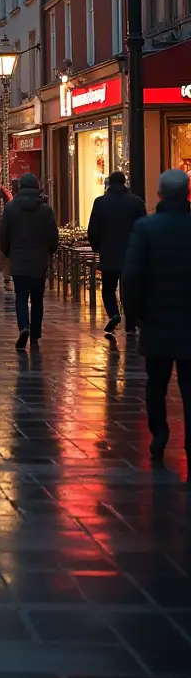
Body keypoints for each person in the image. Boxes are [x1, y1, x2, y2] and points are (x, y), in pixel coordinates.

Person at [122, 169, 191, 462]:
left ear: (160, 195)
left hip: (157, 321)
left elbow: (132, 276)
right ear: (187, 193)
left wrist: (136, 315)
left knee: (156, 383)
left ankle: (159, 433)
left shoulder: (146, 229)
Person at [0, 172, 59, 351]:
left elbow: (5, 234)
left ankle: (24, 326)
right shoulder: (45, 209)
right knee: (38, 298)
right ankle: (35, 333)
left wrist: (8, 252)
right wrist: (50, 251)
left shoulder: (11, 208)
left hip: (18, 258)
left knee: (21, 296)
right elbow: (52, 236)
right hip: (39, 259)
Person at [87, 171, 146, 335]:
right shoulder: (136, 202)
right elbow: (143, 227)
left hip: (109, 253)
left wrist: (97, 247)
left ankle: (114, 313)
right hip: (131, 254)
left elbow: (93, 229)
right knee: (130, 289)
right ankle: (131, 324)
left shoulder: (100, 202)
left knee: (108, 288)